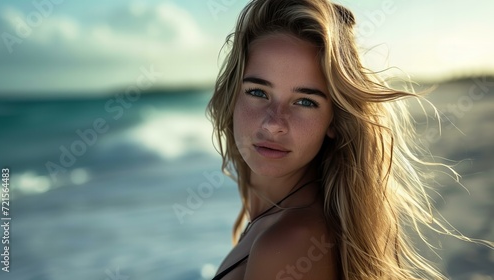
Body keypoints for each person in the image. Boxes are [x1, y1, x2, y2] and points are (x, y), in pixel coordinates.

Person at [206, 0, 489, 279]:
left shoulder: (290, 242)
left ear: (333, 121)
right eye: (258, 92)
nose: (274, 123)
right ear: (232, 96)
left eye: (305, 101)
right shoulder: (278, 223)